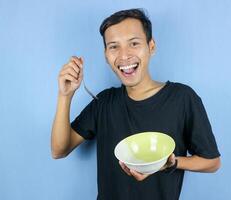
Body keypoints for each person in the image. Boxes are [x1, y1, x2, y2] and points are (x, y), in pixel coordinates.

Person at [51, 8, 221, 200]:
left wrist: (172, 163)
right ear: (106, 55)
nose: (124, 56)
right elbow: (59, 150)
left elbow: (212, 162)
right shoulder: (104, 102)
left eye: (134, 43)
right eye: (114, 46)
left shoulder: (182, 98)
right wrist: (65, 96)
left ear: (151, 46)